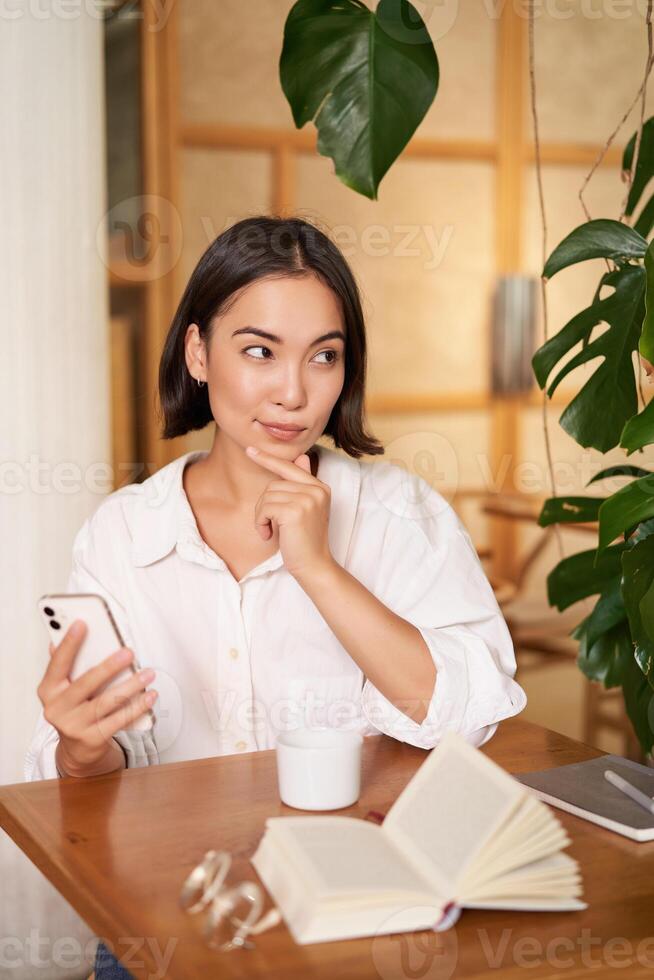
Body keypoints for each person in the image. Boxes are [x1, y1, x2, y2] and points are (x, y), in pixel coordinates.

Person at [25, 214, 527, 977]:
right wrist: (81, 748)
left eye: (323, 357)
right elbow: (86, 788)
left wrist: (320, 570)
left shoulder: (401, 515)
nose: (293, 392)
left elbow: (470, 711)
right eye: (259, 351)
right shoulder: (122, 535)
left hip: (358, 916)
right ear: (198, 353)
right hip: (168, 913)